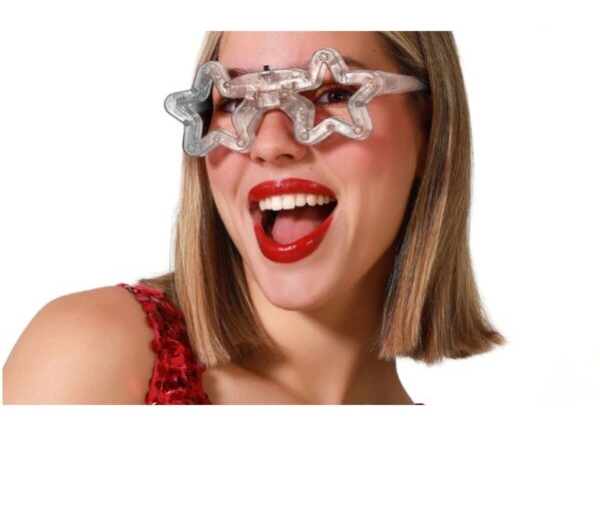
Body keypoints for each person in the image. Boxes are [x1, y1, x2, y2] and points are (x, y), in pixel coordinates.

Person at [3, 31, 505, 405]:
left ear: (429, 131)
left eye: (331, 94)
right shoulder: (91, 355)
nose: (269, 142)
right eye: (236, 100)